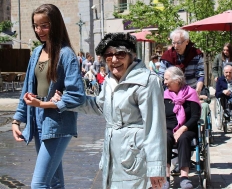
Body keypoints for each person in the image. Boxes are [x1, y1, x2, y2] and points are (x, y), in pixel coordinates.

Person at [52, 32, 167, 189]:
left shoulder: (146, 81)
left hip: (136, 160)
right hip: (112, 157)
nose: (114, 60)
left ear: (131, 55)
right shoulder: (109, 81)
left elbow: (154, 127)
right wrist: (67, 101)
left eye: (120, 54)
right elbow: (99, 106)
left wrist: (156, 168)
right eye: (108, 55)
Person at [11, 4, 86, 188]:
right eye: (36, 26)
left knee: (39, 184)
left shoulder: (66, 55)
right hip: (38, 121)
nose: (39, 30)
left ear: (55, 24)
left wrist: (44, 104)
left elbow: (77, 95)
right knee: (54, 182)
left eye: (44, 25)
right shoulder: (37, 52)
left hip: (58, 124)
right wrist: (16, 120)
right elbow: (26, 90)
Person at [163, 66, 201, 189]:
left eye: (167, 79)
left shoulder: (191, 93)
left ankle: (184, 177)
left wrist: (182, 128)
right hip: (168, 128)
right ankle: (166, 177)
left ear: (177, 80)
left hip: (188, 128)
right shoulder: (165, 95)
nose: (165, 82)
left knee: (184, 138)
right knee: (165, 138)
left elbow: (195, 117)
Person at [159, 28, 205, 95]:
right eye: (173, 43)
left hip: (191, 92)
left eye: (179, 43)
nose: (175, 46)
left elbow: (200, 74)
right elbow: (161, 76)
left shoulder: (196, 55)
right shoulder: (167, 56)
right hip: (171, 94)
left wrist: (197, 91)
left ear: (187, 42)